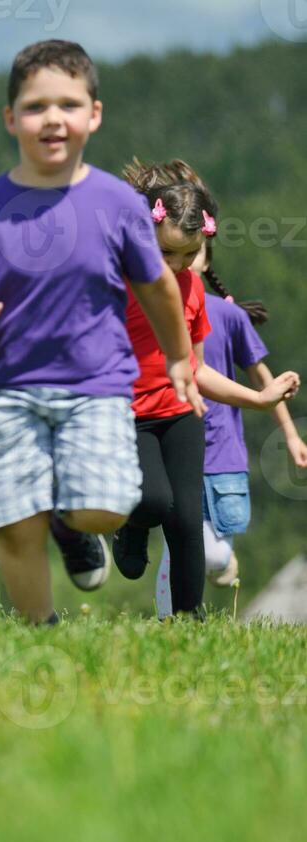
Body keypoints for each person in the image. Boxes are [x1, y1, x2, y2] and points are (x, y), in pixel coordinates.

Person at [0, 40, 202, 626]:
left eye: (69, 104)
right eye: (35, 106)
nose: (53, 118)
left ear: (94, 115)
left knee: (103, 509)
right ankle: (40, 631)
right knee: (11, 522)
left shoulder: (117, 205)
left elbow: (157, 286)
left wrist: (180, 356)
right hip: (2, 387)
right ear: (10, 118)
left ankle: (69, 526)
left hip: (95, 386)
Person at [105, 163, 299, 616]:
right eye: (167, 253)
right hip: (128, 413)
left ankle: (188, 622)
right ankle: (131, 526)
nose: (176, 266)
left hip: (181, 412)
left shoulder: (191, 289)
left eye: (187, 256)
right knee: (154, 500)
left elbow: (196, 368)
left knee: (188, 520)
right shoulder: (123, 280)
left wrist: (258, 398)